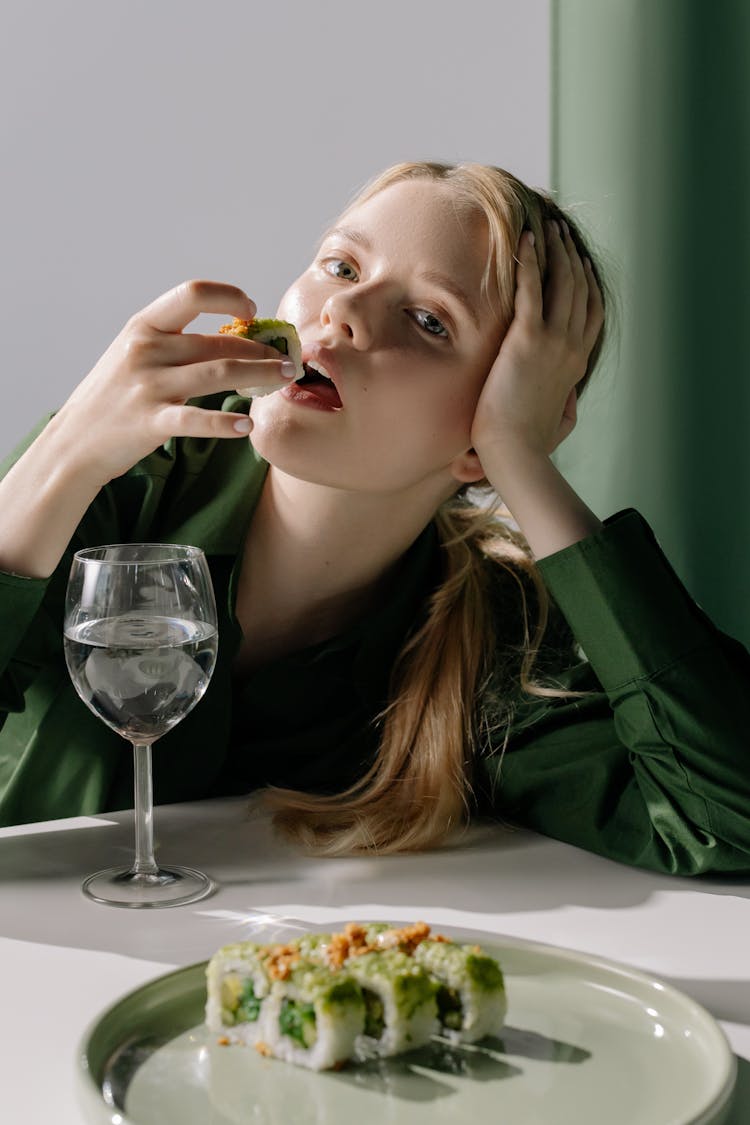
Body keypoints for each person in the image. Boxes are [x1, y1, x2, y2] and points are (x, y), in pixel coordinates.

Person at [0, 161, 748, 877]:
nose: (344, 313)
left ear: (489, 424)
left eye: (428, 320)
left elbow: (724, 818)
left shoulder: (490, 641)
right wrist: (62, 452)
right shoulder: (116, 474)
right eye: (342, 267)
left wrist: (519, 459)